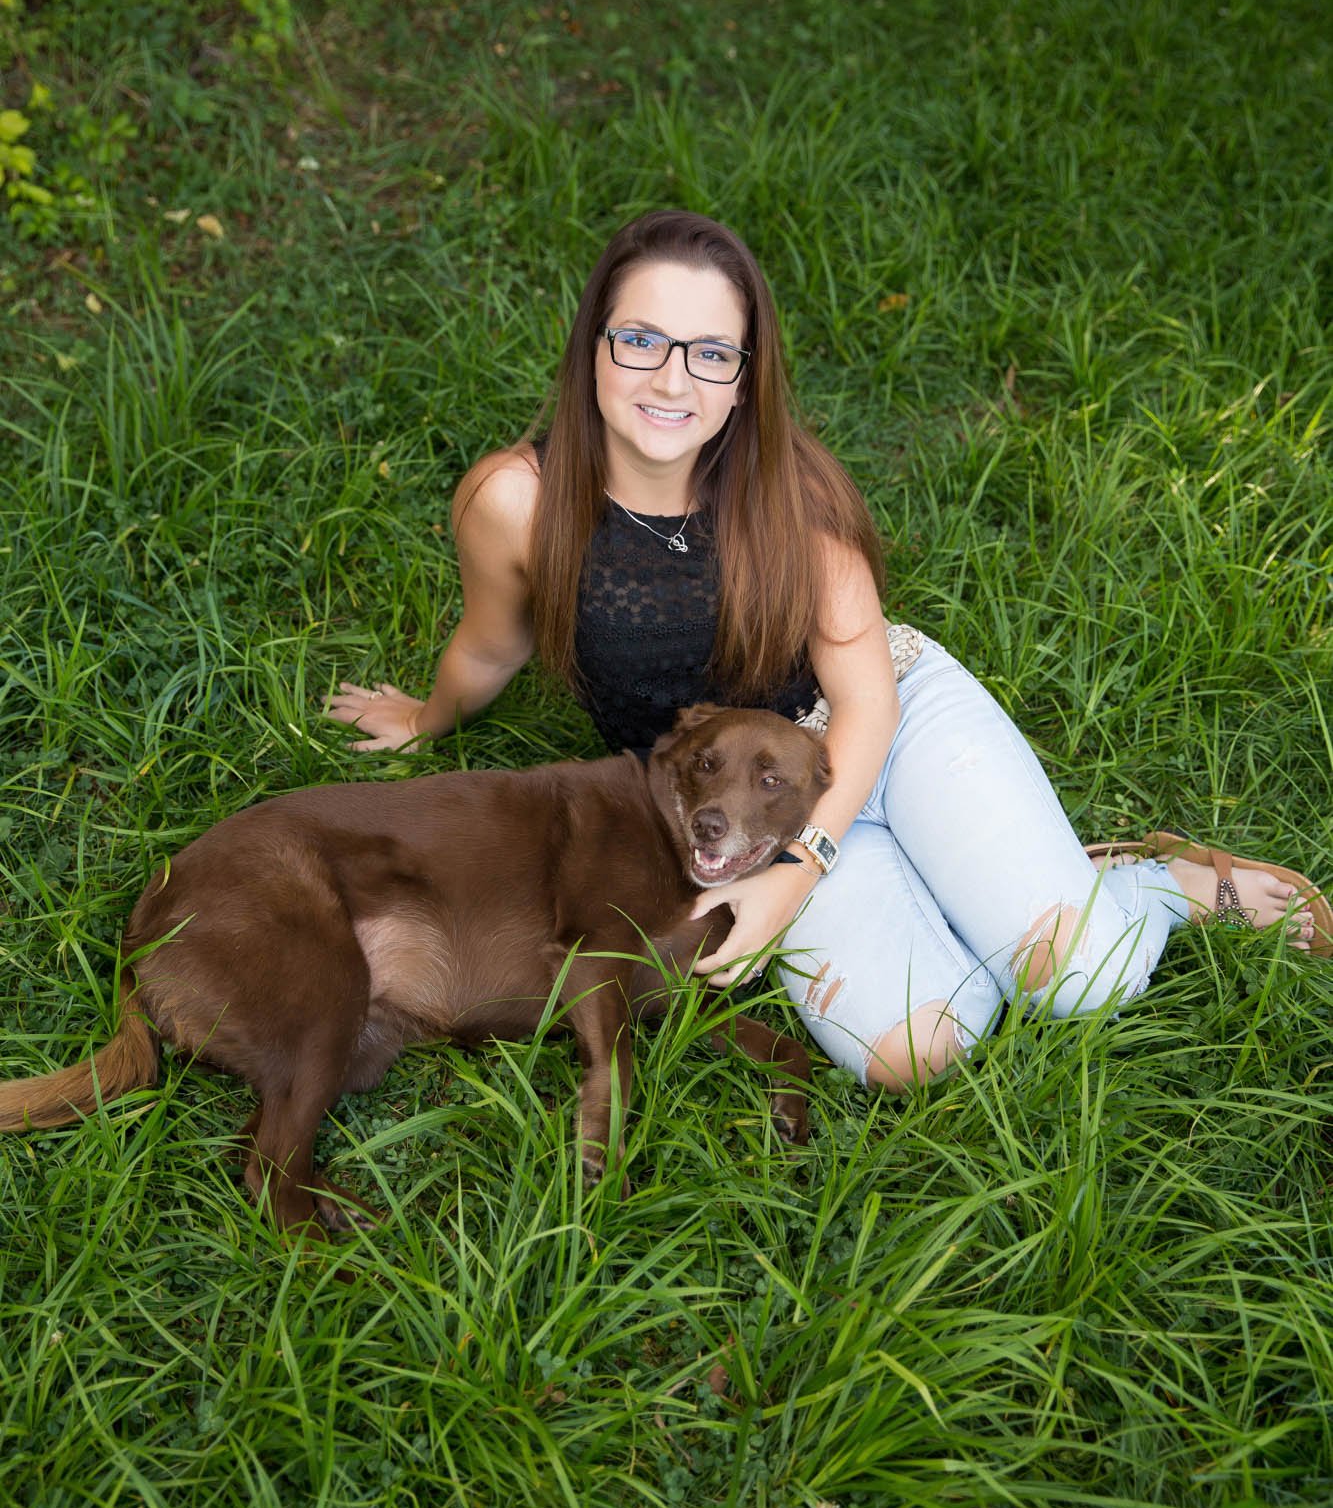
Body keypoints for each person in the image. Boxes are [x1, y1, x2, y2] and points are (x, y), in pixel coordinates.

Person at [326, 210, 1329, 1090]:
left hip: (878, 727)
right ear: (592, 346)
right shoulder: (517, 501)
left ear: (741, 378)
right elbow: (492, 645)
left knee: (1081, 980)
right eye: (640, 339)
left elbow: (864, 700)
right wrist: (426, 716)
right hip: (739, 797)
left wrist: (800, 867)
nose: (671, 378)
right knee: (913, 1053)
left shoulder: (788, 496)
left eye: (710, 352)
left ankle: (1149, 881)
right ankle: (991, 887)